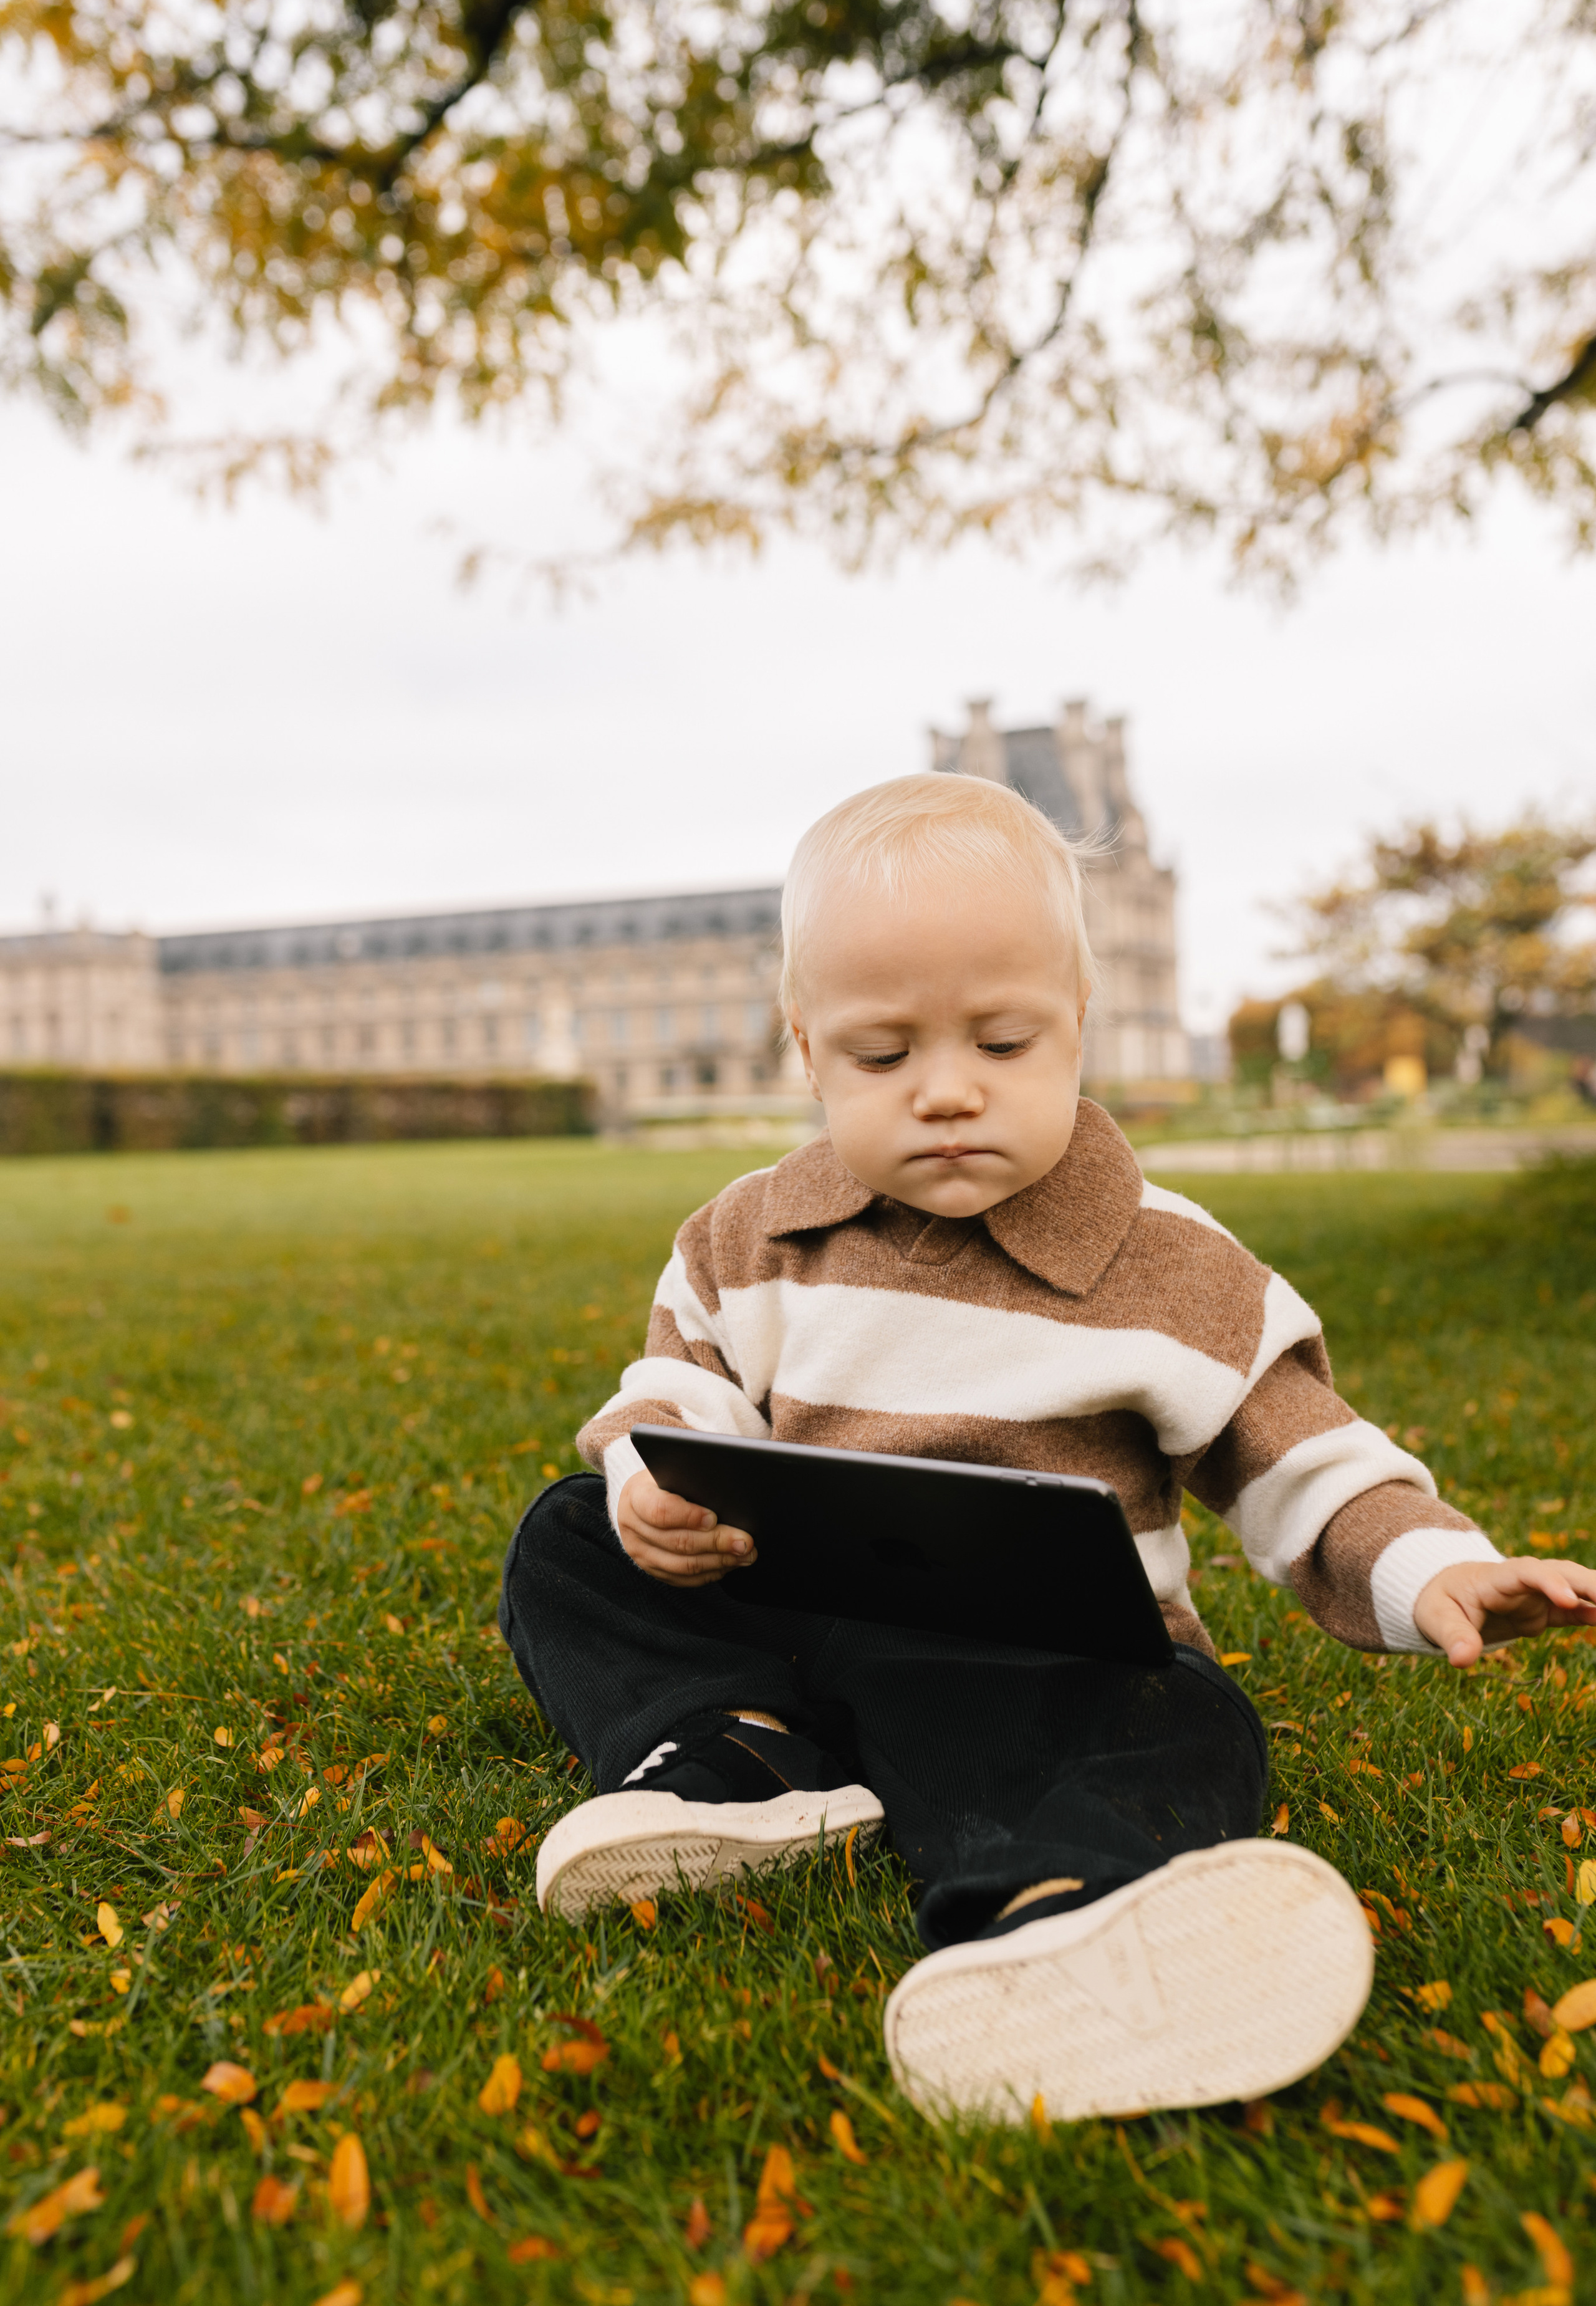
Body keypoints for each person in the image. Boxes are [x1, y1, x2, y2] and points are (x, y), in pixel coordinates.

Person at [499, 773, 1596, 2125]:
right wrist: (651, 1483)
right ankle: (733, 1753)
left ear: (1078, 1029)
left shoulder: (1175, 1268)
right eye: (882, 1058)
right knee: (564, 1533)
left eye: (1001, 1045)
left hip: (1036, 1658)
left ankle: (1046, 1924)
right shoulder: (747, 1234)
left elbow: (1304, 1453)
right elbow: (677, 1389)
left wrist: (1429, 1569)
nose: (945, 1094)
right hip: (792, 1615)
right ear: (806, 1051)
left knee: (1169, 1719)